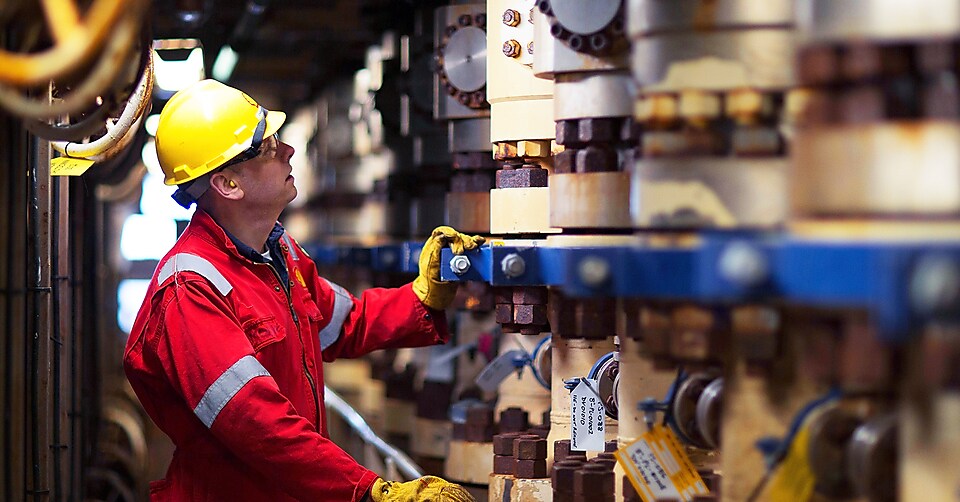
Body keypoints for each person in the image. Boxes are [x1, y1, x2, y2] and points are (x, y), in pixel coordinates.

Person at [123, 79, 482, 502]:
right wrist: (370, 492)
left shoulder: (278, 253)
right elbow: (258, 426)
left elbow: (345, 323)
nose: (289, 151)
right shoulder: (192, 289)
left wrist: (425, 295)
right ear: (228, 184)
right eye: (271, 148)